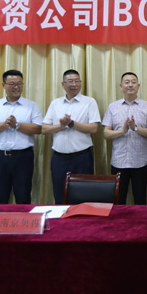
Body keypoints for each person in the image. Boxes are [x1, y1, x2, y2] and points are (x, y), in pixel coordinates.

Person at [0, 69, 42, 204]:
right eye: (12, 84)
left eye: (19, 84)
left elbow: (38, 129)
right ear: (3, 85)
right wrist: (4, 125)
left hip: (23, 157)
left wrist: (17, 125)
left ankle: (23, 219)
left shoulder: (31, 105)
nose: (16, 87)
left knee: (23, 197)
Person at [42, 69, 101, 204]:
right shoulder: (55, 103)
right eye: (70, 81)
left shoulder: (89, 102)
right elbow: (44, 129)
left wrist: (72, 124)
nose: (74, 84)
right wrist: (61, 125)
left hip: (82, 157)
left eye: (77, 81)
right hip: (59, 158)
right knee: (60, 195)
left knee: (84, 196)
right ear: (63, 84)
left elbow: (93, 128)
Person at [102, 72, 147, 205]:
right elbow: (106, 134)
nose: (130, 85)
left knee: (140, 199)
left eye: (133, 82)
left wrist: (135, 128)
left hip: (140, 162)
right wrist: (122, 131)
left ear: (138, 86)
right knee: (118, 200)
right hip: (118, 162)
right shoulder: (113, 107)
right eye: (127, 82)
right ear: (121, 86)